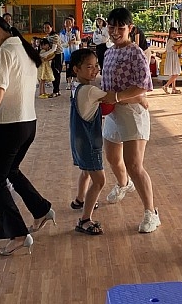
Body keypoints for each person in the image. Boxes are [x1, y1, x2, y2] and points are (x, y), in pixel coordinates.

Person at [0, 13, 53, 256]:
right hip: (28, 124)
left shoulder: (3, 53)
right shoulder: (23, 49)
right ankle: (41, 209)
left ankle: (18, 234)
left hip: (9, 125)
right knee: (11, 171)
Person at [100, 7, 160, 233]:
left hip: (132, 113)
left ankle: (151, 213)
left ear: (130, 28)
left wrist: (117, 97)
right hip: (113, 113)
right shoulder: (108, 52)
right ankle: (123, 184)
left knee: (134, 165)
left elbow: (143, 85)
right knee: (112, 158)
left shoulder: (136, 53)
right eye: (111, 27)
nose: (115, 32)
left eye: (120, 27)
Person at [68, 48, 108, 235]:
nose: (95, 70)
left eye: (96, 66)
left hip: (79, 141)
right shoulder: (90, 90)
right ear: (76, 69)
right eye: (89, 67)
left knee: (86, 171)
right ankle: (84, 220)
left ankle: (79, 200)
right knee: (99, 180)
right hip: (89, 142)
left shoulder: (76, 86)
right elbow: (114, 98)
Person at [60, 17, 81, 92]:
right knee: (68, 67)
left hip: (74, 51)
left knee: (75, 66)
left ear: (72, 24)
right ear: (64, 24)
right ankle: (68, 83)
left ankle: (74, 82)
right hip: (66, 52)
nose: (68, 24)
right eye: (66, 22)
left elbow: (79, 41)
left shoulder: (75, 31)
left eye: (69, 22)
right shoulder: (62, 33)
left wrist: (75, 42)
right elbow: (61, 43)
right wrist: (68, 43)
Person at [43, 22, 63, 98]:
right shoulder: (47, 37)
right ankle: (57, 90)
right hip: (52, 56)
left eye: (48, 27)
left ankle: (56, 91)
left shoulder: (55, 36)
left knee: (57, 73)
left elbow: (54, 49)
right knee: (53, 73)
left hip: (58, 55)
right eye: (45, 28)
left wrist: (43, 55)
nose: (46, 29)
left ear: (51, 27)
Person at [161, 27, 182, 94]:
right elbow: (174, 48)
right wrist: (181, 45)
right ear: (170, 34)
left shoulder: (173, 41)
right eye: (173, 33)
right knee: (176, 74)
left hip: (173, 57)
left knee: (174, 73)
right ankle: (166, 85)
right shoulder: (171, 41)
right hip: (172, 57)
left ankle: (173, 88)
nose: (174, 35)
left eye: (175, 33)